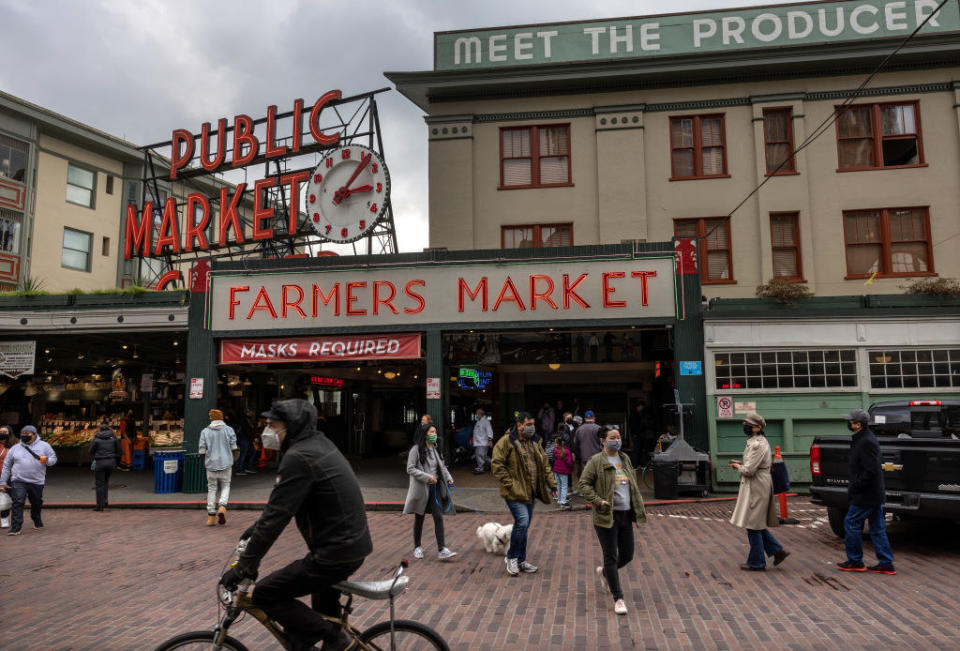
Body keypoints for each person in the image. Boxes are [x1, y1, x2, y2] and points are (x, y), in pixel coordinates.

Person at [219, 399, 372, 651]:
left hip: (334, 554)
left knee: (266, 593)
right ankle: (329, 636)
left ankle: (335, 638)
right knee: (306, 625)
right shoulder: (318, 444)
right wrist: (254, 530)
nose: (266, 431)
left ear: (291, 426)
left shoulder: (299, 457)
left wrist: (245, 566)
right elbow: (283, 506)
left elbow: (276, 518)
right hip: (349, 547)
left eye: (272, 425)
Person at [578, 426, 646, 615]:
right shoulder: (596, 461)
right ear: (602, 440)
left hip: (625, 514)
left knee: (628, 554)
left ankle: (607, 572)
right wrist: (599, 501)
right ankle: (618, 598)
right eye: (612, 437)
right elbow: (583, 484)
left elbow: (631, 486)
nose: (617, 440)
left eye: (618, 437)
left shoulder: (625, 459)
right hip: (606, 515)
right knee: (611, 555)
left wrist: (637, 507)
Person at [491, 411, 557, 576]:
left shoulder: (535, 442)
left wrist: (552, 484)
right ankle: (511, 557)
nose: (531, 427)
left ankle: (521, 560)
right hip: (514, 492)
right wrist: (510, 484)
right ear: (519, 425)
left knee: (524, 526)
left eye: (533, 424)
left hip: (530, 492)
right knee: (522, 522)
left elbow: (545, 465)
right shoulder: (507, 441)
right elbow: (497, 464)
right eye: (528, 424)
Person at [837, 409, 895, 575]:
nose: (848, 423)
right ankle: (886, 563)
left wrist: (856, 486)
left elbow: (871, 470)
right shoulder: (863, 439)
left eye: (850, 421)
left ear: (858, 424)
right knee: (877, 528)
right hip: (872, 493)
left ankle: (855, 561)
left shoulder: (866, 441)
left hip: (866, 493)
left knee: (851, 522)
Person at [729, 412, 789, 571]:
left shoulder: (758, 444)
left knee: (752, 525)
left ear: (758, 427)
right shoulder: (756, 442)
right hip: (757, 484)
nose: (746, 427)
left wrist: (738, 467)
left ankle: (757, 562)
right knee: (755, 523)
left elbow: (749, 470)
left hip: (757, 486)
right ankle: (777, 551)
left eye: (748, 424)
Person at [403, 423, 457, 561]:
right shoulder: (416, 450)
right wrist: (427, 478)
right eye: (432, 432)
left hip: (436, 488)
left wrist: (449, 478)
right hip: (422, 489)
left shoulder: (435, 448)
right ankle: (417, 547)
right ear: (425, 434)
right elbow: (410, 469)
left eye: (435, 432)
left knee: (438, 516)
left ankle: (442, 549)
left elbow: (442, 467)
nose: (434, 434)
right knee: (419, 518)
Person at [0, 425, 57, 536]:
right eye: (23, 433)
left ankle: (36, 518)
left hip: (37, 481)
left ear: (34, 435)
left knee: (36, 502)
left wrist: (47, 461)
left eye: (27, 434)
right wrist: (2, 481)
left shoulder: (44, 446)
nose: (24, 436)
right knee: (18, 502)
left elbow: (53, 459)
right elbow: (7, 465)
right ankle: (16, 527)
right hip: (18, 480)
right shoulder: (15, 448)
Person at [198, 408, 238, 526]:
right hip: (226, 463)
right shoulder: (229, 430)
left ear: (211, 419)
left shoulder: (205, 431)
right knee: (226, 486)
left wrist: (206, 461)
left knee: (211, 488)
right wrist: (234, 460)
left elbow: (202, 449)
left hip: (211, 464)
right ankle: (222, 506)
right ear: (221, 417)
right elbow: (234, 447)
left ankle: (211, 516)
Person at [88, 424, 121, 511]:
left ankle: (99, 505)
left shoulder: (96, 439)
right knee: (105, 481)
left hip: (100, 463)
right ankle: (105, 501)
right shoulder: (114, 439)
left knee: (99, 484)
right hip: (111, 463)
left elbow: (90, 451)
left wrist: (97, 454)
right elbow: (119, 451)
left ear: (100, 430)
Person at [572, 411, 602, 489]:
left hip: (584, 456)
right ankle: (596, 490)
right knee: (596, 474)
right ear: (594, 418)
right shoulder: (598, 428)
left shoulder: (579, 429)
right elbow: (603, 443)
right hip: (597, 456)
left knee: (586, 475)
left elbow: (575, 444)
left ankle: (586, 491)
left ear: (585, 419)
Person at [628, 401, 657, 468]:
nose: (642, 409)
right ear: (638, 406)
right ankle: (635, 465)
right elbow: (634, 426)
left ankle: (638, 464)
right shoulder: (635, 414)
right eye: (641, 407)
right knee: (637, 449)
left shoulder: (639, 414)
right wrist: (637, 433)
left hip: (640, 434)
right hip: (637, 434)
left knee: (639, 450)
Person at [551, 436, 574, 510]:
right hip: (564, 471)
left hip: (556, 470)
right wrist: (571, 467)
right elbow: (569, 462)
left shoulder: (555, 450)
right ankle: (563, 501)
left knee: (558, 485)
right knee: (564, 486)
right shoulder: (567, 451)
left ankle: (559, 499)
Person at [234, 408, 257, 475]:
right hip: (244, 439)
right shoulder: (243, 420)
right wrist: (254, 437)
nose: (252, 413)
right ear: (247, 413)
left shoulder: (248, 420)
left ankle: (248, 467)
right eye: (251, 412)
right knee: (243, 454)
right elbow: (246, 431)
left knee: (252, 452)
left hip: (247, 439)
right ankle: (239, 469)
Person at [472, 408, 493, 474]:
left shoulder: (486, 421)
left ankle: (480, 468)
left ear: (480, 414)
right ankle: (495, 464)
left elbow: (489, 431)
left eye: (477, 414)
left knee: (479, 455)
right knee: (483, 456)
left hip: (483, 442)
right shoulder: (479, 421)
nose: (476, 415)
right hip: (479, 441)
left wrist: (490, 440)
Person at [0, 426, 13, 528]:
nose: (2, 433)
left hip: (7, 476)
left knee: (5, 497)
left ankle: (4, 518)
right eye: (1, 432)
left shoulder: (14, 445)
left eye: (5, 432)